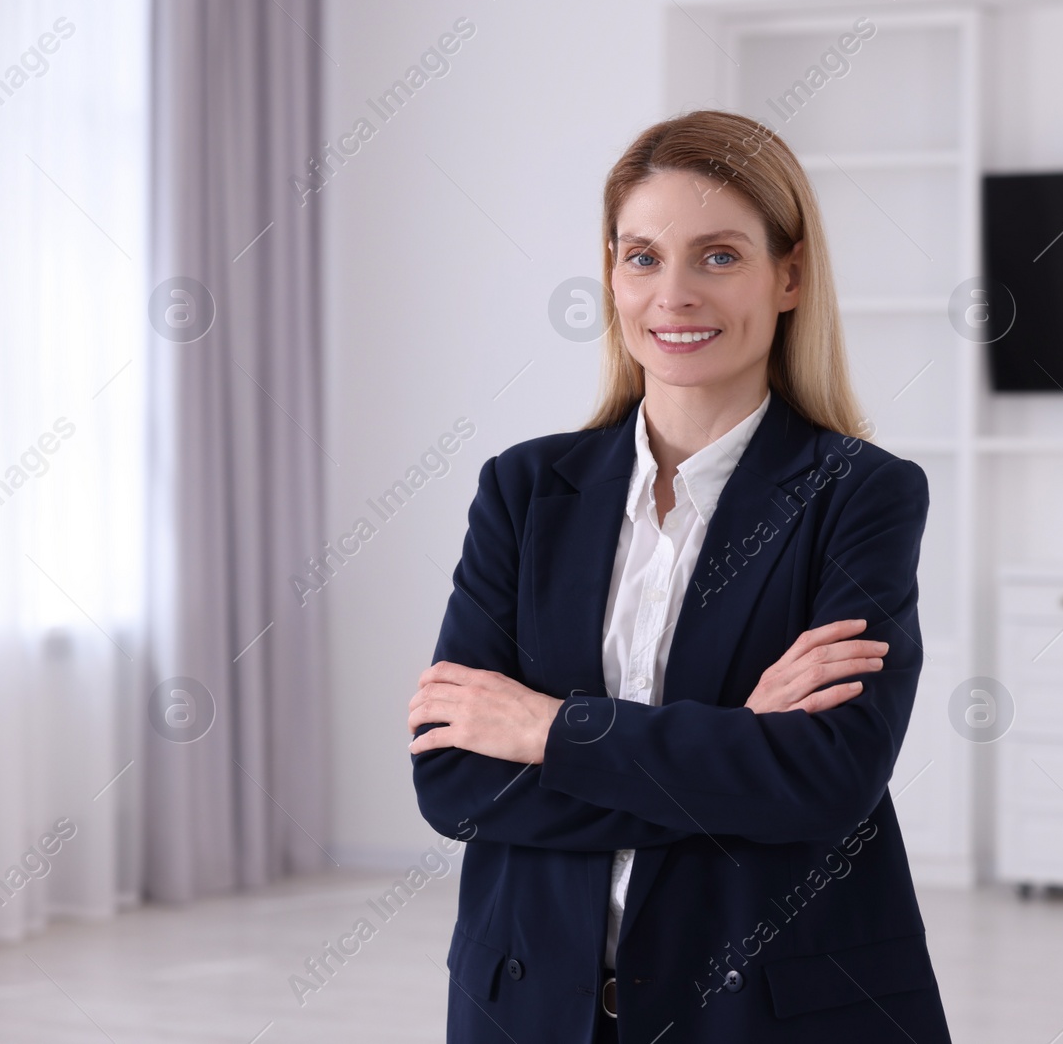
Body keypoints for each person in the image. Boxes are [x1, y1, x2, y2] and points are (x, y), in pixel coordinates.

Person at [407, 109, 951, 1044]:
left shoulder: (862, 494)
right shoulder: (523, 489)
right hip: (529, 1003)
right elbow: (455, 779)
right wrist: (739, 744)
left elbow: (830, 780)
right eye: (643, 256)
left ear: (788, 275)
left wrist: (547, 729)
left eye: (720, 256)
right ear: (612, 272)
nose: (675, 294)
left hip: (762, 1012)